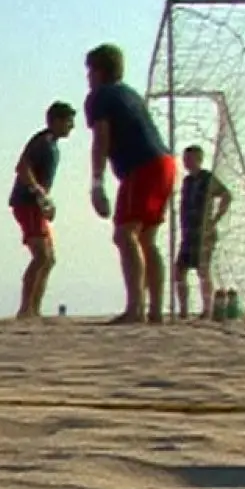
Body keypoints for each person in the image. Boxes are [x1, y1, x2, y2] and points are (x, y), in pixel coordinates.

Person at [83, 43, 178, 324]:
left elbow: (101, 138)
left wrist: (97, 183)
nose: (88, 78)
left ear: (99, 72)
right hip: (165, 163)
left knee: (126, 234)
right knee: (146, 238)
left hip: (143, 165)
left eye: (90, 71)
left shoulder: (99, 97)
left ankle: (136, 307)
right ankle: (155, 310)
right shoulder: (130, 94)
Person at [9, 102, 76, 319]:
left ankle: (34, 309)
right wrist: (38, 193)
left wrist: (46, 201)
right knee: (41, 256)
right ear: (55, 121)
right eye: (67, 121)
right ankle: (25, 309)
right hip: (26, 203)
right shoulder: (42, 142)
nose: (71, 126)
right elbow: (22, 168)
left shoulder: (53, 146)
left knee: (49, 259)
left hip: (37, 205)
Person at [174, 144, 234, 320]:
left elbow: (226, 195)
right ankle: (183, 309)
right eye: (185, 159)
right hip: (188, 233)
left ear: (198, 159)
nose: (186, 162)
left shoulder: (207, 178)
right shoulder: (187, 181)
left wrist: (216, 218)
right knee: (179, 270)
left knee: (203, 269)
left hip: (203, 233)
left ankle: (207, 308)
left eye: (189, 159)